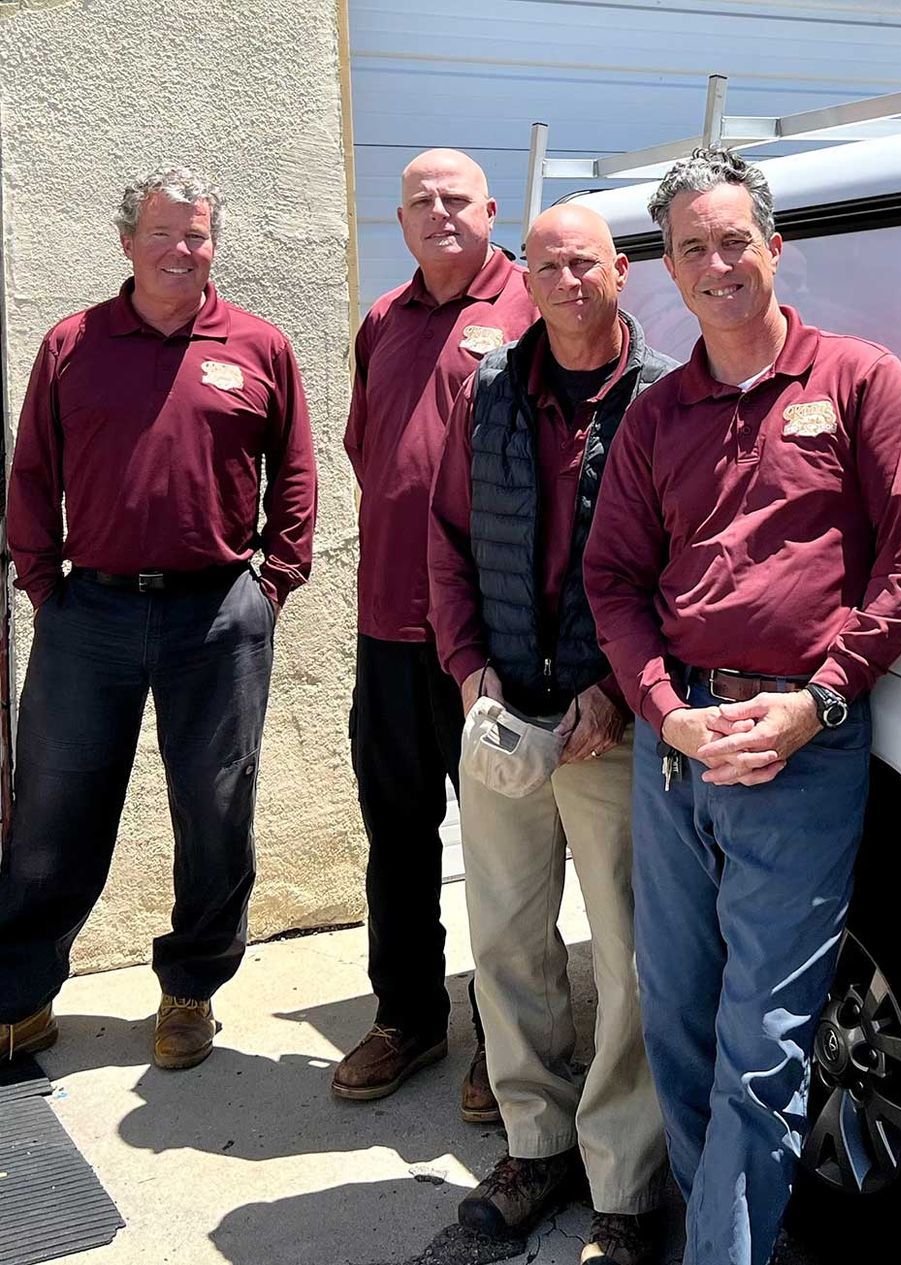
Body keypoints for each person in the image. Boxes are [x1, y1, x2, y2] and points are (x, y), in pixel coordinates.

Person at [582, 147, 901, 1265]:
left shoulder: (860, 382)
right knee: (679, 1015)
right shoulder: (657, 417)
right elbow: (614, 580)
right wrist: (661, 711)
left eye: (734, 239)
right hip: (678, 745)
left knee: (764, 1035)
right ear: (670, 273)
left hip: (798, 746)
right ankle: (729, 1234)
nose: (717, 263)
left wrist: (818, 704)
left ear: (775, 248)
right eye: (692, 248)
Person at [0, 168, 317, 1070]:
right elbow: (31, 473)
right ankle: (18, 1000)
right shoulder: (73, 343)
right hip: (87, 612)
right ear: (127, 240)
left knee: (216, 809)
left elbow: (294, 472)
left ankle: (190, 993)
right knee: (54, 811)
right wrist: (44, 586)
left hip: (217, 617)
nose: (186, 249)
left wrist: (276, 579)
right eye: (167, 233)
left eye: (202, 234)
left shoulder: (258, 344)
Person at [427, 203, 678, 1264]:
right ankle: (535, 1144)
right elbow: (443, 538)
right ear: (519, 277)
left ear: (621, 270)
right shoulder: (488, 388)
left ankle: (623, 1178)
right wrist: (469, 668)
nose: (566, 280)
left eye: (585, 262)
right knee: (506, 942)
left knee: (628, 958)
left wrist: (619, 694)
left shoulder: (669, 395)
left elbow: (688, 564)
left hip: (611, 725)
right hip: (501, 715)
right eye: (545, 265)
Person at [333, 148, 537, 1120]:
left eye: (457, 198)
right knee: (396, 836)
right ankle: (406, 1014)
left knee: (506, 847)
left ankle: (507, 1034)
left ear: (491, 209)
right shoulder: (381, 320)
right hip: (387, 629)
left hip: (488, 641)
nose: (440, 213)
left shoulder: (533, 305)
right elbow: (368, 449)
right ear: (399, 219)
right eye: (421, 201)